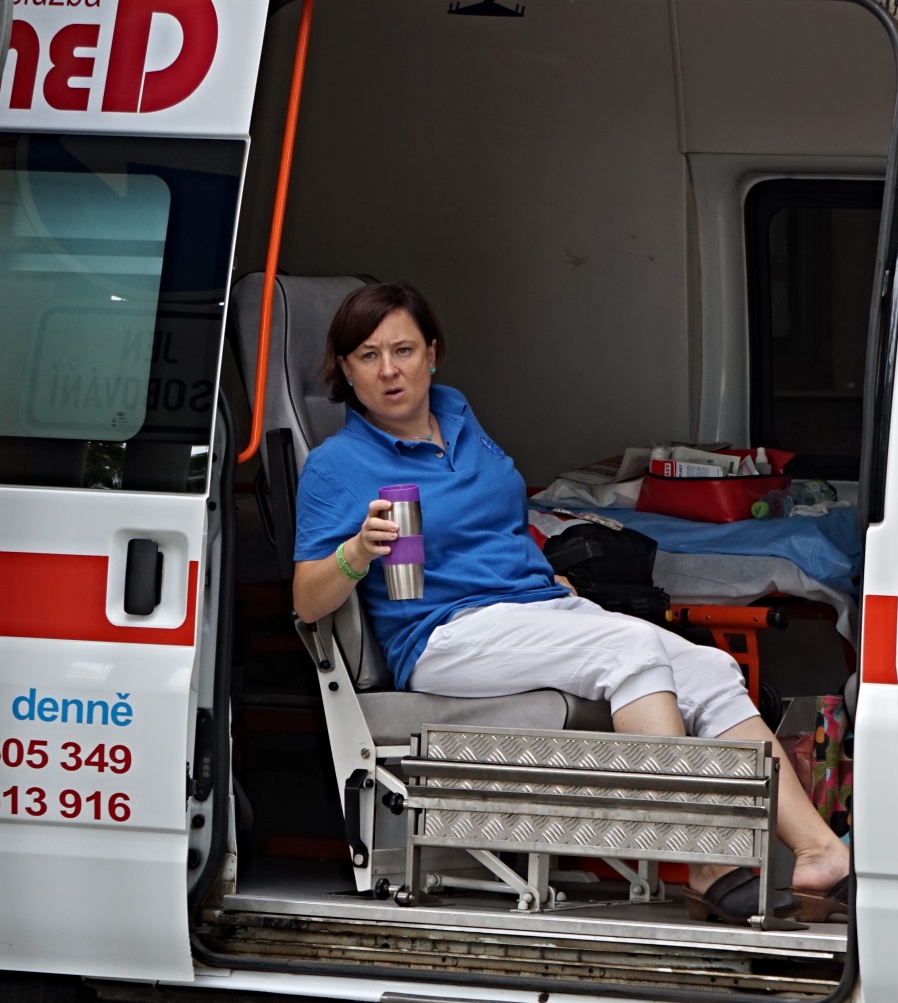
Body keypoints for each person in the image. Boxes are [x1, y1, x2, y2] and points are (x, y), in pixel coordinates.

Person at [291, 282, 849, 924]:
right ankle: (703, 860)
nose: (389, 370)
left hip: (534, 609)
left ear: (433, 354)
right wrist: (356, 552)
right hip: (444, 631)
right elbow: (307, 601)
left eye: (403, 350)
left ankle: (819, 853)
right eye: (368, 355)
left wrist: (544, 581)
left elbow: (494, 528)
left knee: (708, 668)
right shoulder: (339, 465)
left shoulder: (459, 417)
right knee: (632, 649)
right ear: (346, 371)